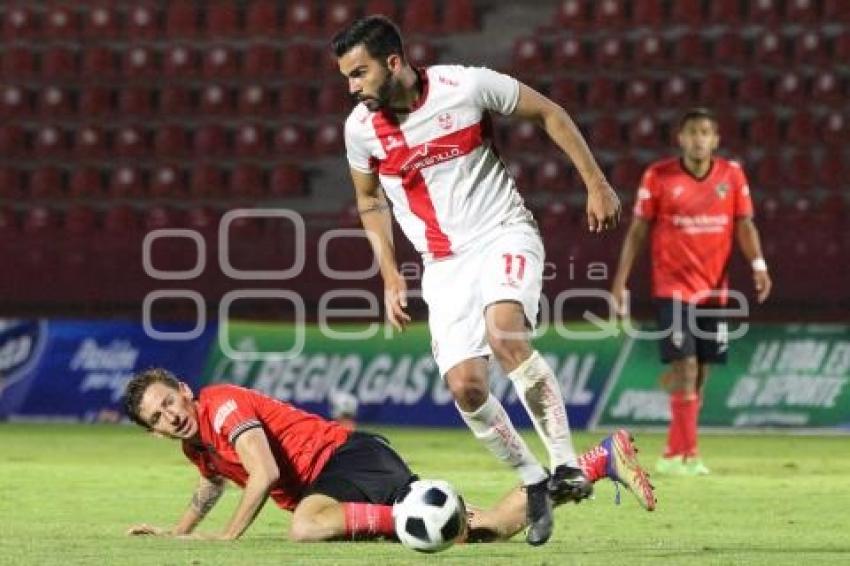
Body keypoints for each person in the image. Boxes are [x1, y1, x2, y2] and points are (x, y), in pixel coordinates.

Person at [333, 16, 621, 546]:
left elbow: (549, 113)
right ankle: (534, 481)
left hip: (503, 233)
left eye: (359, 73)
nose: (352, 87)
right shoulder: (360, 130)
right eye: (347, 77)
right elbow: (369, 199)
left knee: (505, 333)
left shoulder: (464, 85)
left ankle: (564, 465)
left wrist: (596, 183)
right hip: (444, 265)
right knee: (466, 387)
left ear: (393, 62)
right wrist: (390, 273)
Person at [123, 369, 655, 544]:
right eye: (157, 417)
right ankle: (596, 460)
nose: (169, 416)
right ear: (153, 431)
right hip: (344, 476)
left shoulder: (221, 408)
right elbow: (212, 484)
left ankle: (416, 515)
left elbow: (262, 473)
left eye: (168, 402)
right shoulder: (198, 443)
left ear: (185, 390)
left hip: (348, 460)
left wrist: (223, 541)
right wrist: (177, 533)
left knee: (307, 526)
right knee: (482, 530)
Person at [611, 107, 772, 476]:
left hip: (715, 291)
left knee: (701, 372)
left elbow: (744, 224)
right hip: (673, 288)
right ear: (680, 138)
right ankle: (689, 455)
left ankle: (672, 452)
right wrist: (620, 280)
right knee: (685, 366)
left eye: (705, 132)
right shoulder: (658, 176)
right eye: (692, 132)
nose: (699, 139)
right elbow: (637, 230)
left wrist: (759, 265)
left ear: (715, 139)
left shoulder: (731, 176)